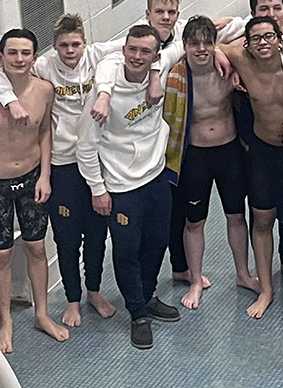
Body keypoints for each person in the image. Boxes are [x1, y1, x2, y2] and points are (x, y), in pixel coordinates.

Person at [0, 14, 116, 327]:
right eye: (64, 45)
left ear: (85, 43)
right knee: (68, 239)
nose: (70, 50)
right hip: (62, 164)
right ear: (54, 48)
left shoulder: (97, 57)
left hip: (97, 160)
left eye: (76, 44)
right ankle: (73, 299)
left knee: (97, 235)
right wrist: (10, 100)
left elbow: (142, 44)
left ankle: (94, 291)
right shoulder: (43, 66)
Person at [0, 28, 69, 353]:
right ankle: (5, 322)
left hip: (32, 177)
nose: (19, 59)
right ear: (0, 57)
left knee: (36, 248)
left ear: (34, 58)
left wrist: (45, 175)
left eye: (25, 53)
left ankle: (41, 313)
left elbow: (45, 131)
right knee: (1, 254)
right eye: (12, 53)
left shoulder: (44, 90)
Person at [77, 25, 182, 349]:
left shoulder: (159, 68)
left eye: (145, 51)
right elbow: (85, 147)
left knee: (158, 241)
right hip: (122, 187)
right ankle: (137, 313)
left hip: (155, 177)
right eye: (132, 49)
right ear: (124, 50)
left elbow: (187, 42)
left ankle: (147, 295)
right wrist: (98, 189)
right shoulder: (103, 94)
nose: (137, 56)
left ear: (154, 57)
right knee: (127, 251)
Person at [163, 16, 257, 310]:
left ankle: (242, 273)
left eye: (207, 43)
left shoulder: (228, 69)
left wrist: (223, 53)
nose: (202, 49)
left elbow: (244, 31)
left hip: (229, 152)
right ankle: (194, 279)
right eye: (195, 43)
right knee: (195, 221)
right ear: (185, 45)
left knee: (236, 216)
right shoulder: (174, 75)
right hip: (195, 156)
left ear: (215, 44)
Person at [218, 16, 283, 319]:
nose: (263, 43)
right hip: (262, 152)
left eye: (269, 36)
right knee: (262, 219)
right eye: (256, 38)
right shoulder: (243, 59)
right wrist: (229, 61)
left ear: (279, 38)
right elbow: (211, 43)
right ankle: (265, 288)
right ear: (247, 44)